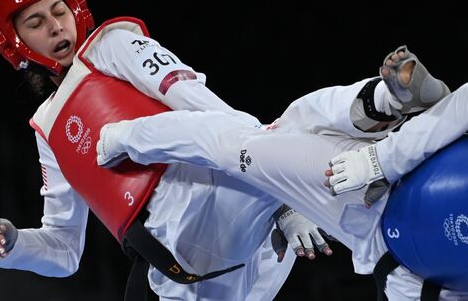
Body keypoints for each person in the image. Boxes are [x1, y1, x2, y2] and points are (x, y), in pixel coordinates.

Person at [0, 0, 339, 301]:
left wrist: (284, 200)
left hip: (236, 200)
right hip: (183, 264)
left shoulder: (113, 47)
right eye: (35, 23)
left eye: (58, 11)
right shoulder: (48, 129)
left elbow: (207, 107)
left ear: (75, 8)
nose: (55, 27)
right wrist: (13, 243)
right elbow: (64, 250)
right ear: (14, 44)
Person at [94, 49, 465, 300]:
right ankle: (383, 102)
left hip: (387, 247)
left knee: (287, 129)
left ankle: (382, 101)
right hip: (387, 185)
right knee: (239, 145)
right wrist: (380, 161)